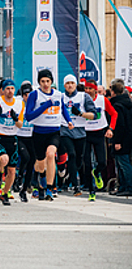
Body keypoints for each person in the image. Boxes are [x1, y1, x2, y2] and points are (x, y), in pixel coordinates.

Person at [25, 69, 73, 201]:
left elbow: (63, 109)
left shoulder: (58, 95)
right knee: (41, 163)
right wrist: (46, 105)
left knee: (51, 154)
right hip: (39, 132)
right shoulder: (35, 95)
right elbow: (28, 116)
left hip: (54, 131)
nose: (46, 84)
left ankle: (50, 188)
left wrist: (69, 121)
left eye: (48, 81)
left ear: (52, 81)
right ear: (39, 82)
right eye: (42, 81)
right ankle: (41, 180)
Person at [58, 75, 96, 198]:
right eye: (67, 83)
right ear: (64, 85)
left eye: (72, 83)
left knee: (79, 159)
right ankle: (75, 185)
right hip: (65, 130)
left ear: (75, 85)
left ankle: (71, 174)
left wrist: (80, 113)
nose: (70, 85)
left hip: (80, 131)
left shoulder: (83, 96)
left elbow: (94, 115)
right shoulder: (60, 97)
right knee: (72, 154)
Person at [0, 79, 24, 206]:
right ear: (2, 90)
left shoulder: (19, 103)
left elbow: (20, 125)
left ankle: (5, 193)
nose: (10, 91)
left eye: (12, 88)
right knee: (3, 159)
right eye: (7, 89)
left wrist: (16, 119)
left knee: (11, 171)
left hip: (13, 137)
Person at [84, 79, 118, 199]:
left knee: (102, 162)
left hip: (99, 132)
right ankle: (91, 191)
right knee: (87, 163)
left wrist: (111, 129)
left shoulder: (102, 100)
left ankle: (97, 172)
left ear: (95, 89)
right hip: (85, 133)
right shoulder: (82, 99)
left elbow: (114, 114)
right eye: (86, 88)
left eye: (90, 88)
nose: (88, 91)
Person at [109, 81, 132, 196]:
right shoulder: (127, 102)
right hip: (128, 137)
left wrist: (117, 141)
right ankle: (123, 186)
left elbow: (120, 125)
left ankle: (128, 186)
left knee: (123, 163)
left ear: (113, 92)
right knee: (121, 163)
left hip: (121, 139)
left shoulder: (117, 106)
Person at [16, 82, 35, 202]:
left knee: (31, 161)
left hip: (32, 136)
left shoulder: (35, 102)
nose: (27, 97)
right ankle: (20, 176)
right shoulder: (18, 103)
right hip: (20, 135)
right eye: (25, 94)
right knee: (25, 157)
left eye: (29, 94)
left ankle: (24, 189)